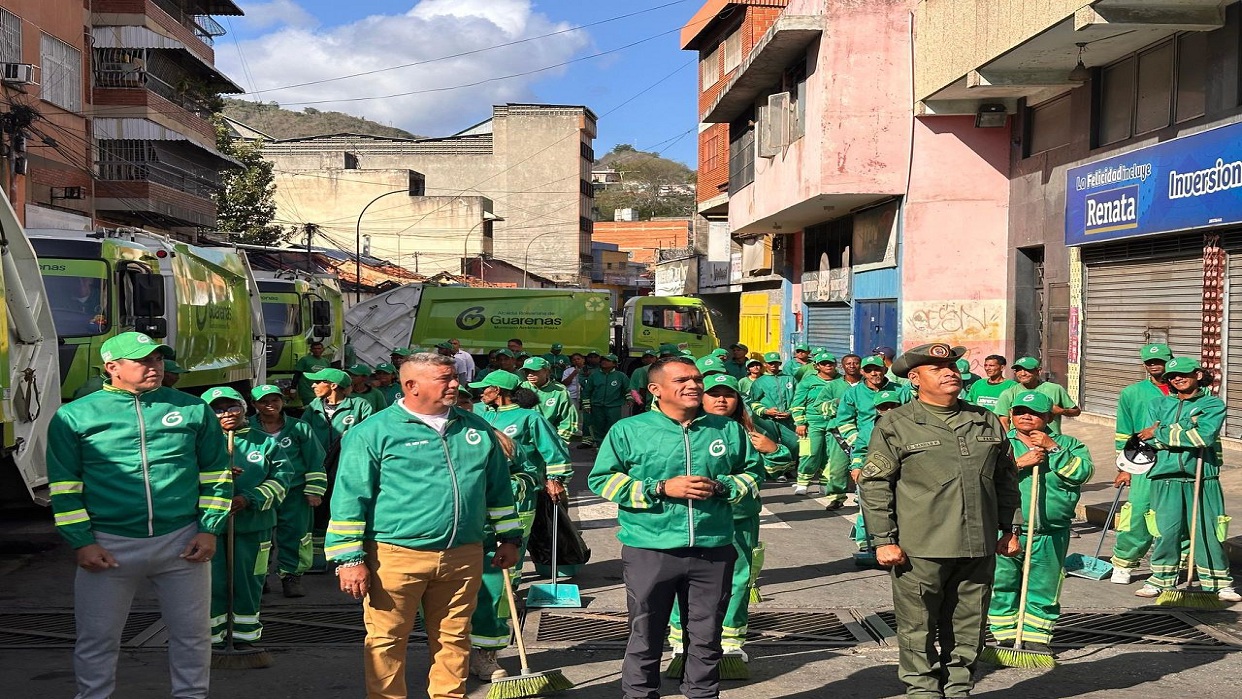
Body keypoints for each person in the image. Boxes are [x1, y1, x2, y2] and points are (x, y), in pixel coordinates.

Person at [327, 352, 522, 699]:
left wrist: (509, 537)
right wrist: (349, 559)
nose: (455, 384)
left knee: (455, 638)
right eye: (444, 379)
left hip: (463, 554)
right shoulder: (371, 433)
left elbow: (498, 489)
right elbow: (349, 498)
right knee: (386, 641)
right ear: (411, 385)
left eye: (454, 377)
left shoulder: (475, 428)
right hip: (394, 556)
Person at [47, 331, 230, 699]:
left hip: (182, 541)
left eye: (158, 359)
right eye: (143, 360)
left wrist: (209, 529)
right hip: (108, 545)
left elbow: (217, 474)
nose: (155, 367)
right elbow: (64, 487)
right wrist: (82, 542)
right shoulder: (74, 416)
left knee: (193, 635)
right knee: (97, 638)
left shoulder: (193, 409)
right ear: (112, 367)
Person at [588, 357, 765, 699]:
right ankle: (639, 693)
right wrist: (659, 488)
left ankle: (702, 693)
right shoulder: (628, 430)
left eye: (696, 379)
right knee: (645, 632)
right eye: (682, 380)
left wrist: (723, 487)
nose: (694, 385)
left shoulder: (727, 429)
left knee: (707, 634)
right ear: (655, 389)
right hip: (650, 547)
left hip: (713, 547)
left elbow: (753, 472)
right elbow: (602, 479)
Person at [859, 342, 1022, 698]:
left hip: (978, 544)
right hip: (921, 547)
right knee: (917, 626)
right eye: (937, 369)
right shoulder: (896, 424)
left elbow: (1005, 479)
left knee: (969, 626)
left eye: (952, 367)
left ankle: (959, 688)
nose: (950, 373)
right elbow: (875, 484)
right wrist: (883, 539)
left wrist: (1011, 528)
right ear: (915, 379)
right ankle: (923, 691)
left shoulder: (984, 419)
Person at [668, 373, 791, 672]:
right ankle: (681, 641)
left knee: (738, 578)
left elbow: (779, 465)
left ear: (738, 400)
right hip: (691, 517)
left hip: (739, 519)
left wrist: (774, 450)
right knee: (682, 578)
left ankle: (731, 641)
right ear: (700, 397)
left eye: (729, 394)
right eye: (714, 394)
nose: (721, 400)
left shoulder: (752, 430)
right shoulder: (683, 429)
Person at [467, 371, 571, 680]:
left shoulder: (529, 418)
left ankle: (488, 650)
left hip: (515, 504)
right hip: (469, 514)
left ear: (498, 390)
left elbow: (551, 454)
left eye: (483, 389)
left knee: (500, 578)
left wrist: (553, 479)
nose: (477, 396)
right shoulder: (479, 416)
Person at [988, 390, 1093, 652]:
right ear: (1011, 415)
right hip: (1007, 531)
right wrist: (1019, 463)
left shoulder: (1070, 444)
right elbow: (983, 477)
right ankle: (1004, 634)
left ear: (1048, 417)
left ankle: (1036, 635)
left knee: (1044, 585)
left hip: (1050, 531)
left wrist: (1053, 449)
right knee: (1002, 583)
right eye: (1020, 411)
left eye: (1034, 413)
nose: (1026, 416)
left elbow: (1082, 474)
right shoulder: (1000, 444)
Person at [1133, 356, 1240, 602]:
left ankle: (1218, 582)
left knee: (1208, 531)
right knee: (1165, 531)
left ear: (1198, 375)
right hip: (1165, 476)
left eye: (1183, 374)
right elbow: (1148, 440)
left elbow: (1204, 437)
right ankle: (1160, 579)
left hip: (1202, 477)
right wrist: (1185, 428)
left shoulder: (1212, 404)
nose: (1177, 379)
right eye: (1172, 376)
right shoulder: (1158, 404)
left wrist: (1161, 431)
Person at [202, 386, 293, 651]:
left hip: (255, 527)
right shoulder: (198, 442)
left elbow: (282, 480)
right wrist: (219, 475)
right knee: (211, 584)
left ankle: (245, 638)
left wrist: (248, 498)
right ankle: (212, 640)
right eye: (217, 410)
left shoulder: (265, 442)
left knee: (249, 582)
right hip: (209, 529)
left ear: (243, 409)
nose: (226, 414)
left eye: (232, 407)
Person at [250, 384, 327, 598]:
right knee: (259, 538)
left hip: (294, 493)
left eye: (275, 400)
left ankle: (291, 576)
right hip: (259, 495)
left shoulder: (300, 427)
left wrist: (314, 490)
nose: (270, 405)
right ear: (254, 404)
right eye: (264, 401)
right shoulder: (247, 428)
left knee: (296, 536)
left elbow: (315, 459)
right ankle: (259, 578)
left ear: (282, 401)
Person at [1109, 343, 1174, 585]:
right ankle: (1123, 563)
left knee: (1176, 516)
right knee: (1137, 512)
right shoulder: (1132, 393)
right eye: (1149, 362)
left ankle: (1172, 565)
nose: (1154, 365)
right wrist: (1124, 468)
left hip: (1179, 461)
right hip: (1144, 461)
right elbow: (1123, 432)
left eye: (1159, 361)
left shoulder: (1186, 390)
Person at [302, 368, 375, 571]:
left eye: (318, 381)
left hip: (349, 469)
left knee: (347, 512)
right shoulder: (313, 407)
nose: (313, 385)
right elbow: (303, 435)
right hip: (319, 468)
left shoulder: (360, 406)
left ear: (333, 385)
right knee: (317, 513)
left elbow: (370, 436)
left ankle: (351, 557)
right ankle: (317, 558)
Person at [792, 352, 850, 504]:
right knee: (811, 452)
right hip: (813, 423)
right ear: (817, 366)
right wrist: (800, 422)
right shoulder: (807, 382)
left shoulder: (842, 381)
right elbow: (797, 403)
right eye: (824, 363)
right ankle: (803, 482)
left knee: (831, 455)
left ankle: (825, 483)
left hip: (834, 423)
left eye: (830, 363)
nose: (828, 365)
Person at [836, 356, 912, 467]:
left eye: (877, 369)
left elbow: (911, 416)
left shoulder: (901, 390)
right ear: (862, 372)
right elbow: (844, 421)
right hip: (865, 446)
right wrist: (858, 442)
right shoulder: (852, 393)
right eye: (868, 370)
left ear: (885, 370)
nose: (873, 373)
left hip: (897, 444)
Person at [994, 357, 1080, 432]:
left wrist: (1061, 411)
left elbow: (1076, 412)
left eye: (1028, 370)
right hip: (1021, 442)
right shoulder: (1008, 394)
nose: (1022, 373)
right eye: (1018, 370)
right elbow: (1003, 422)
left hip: (1050, 440)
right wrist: (1010, 441)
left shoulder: (1055, 389)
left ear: (1038, 371)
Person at [748, 351, 799, 460]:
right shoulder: (759, 382)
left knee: (794, 444)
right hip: (768, 420)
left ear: (780, 363)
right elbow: (753, 402)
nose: (773, 365)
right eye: (770, 363)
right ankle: (774, 467)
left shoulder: (790, 379)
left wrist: (790, 412)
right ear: (765, 364)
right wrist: (766, 411)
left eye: (776, 363)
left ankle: (790, 466)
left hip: (788, 419)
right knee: (771, 445)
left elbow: (798, 399)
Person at [519, 356, 579, 446]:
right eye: (527, 371)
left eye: (534, 371)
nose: (530, 375)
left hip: (549, 440)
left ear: (546, 371)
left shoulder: (559, 391)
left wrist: (560, 442)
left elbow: (568, 419)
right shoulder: (520, 388)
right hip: (524, 442)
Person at [580, 352, 629, 450]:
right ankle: (600, 447)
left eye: (608, 361)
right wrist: (586, 405)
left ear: (614, 364)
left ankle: (612, 446)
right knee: (598, 427)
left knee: (613, 427)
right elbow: (587, 391)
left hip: (613, 407)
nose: (604, 362)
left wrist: (630, 398)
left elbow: (628, 389)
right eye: (603, 360)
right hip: (597, 406)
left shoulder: (621, 376)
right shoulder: (594, 375)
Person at [293, 341, 330, 406]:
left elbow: (328, 377)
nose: (317, 350)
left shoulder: (326, 361)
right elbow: (297, 375)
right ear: (311, 350)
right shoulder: (304, 360)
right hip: (307, 392)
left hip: (321, 392)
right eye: (314, 349)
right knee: (311, 408)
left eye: (319, 348)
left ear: (323, 349)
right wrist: (293, 389)